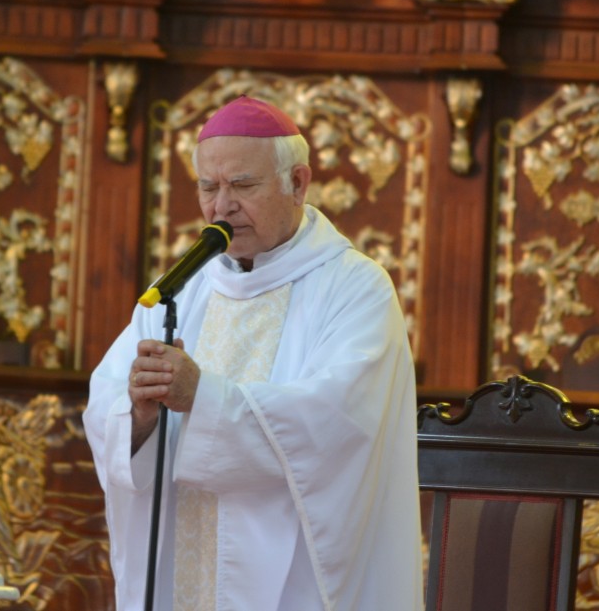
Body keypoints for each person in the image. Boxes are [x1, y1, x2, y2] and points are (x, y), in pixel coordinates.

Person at [82, 96, 423, 611]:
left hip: (294, 581)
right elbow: (106, 403)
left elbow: (339, 423)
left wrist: (204, 396)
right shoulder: (177, 290)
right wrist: (139, 412)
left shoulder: (355, 288)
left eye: (242, 185)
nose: (221, 207)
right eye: (208, 187)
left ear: (298, 183)